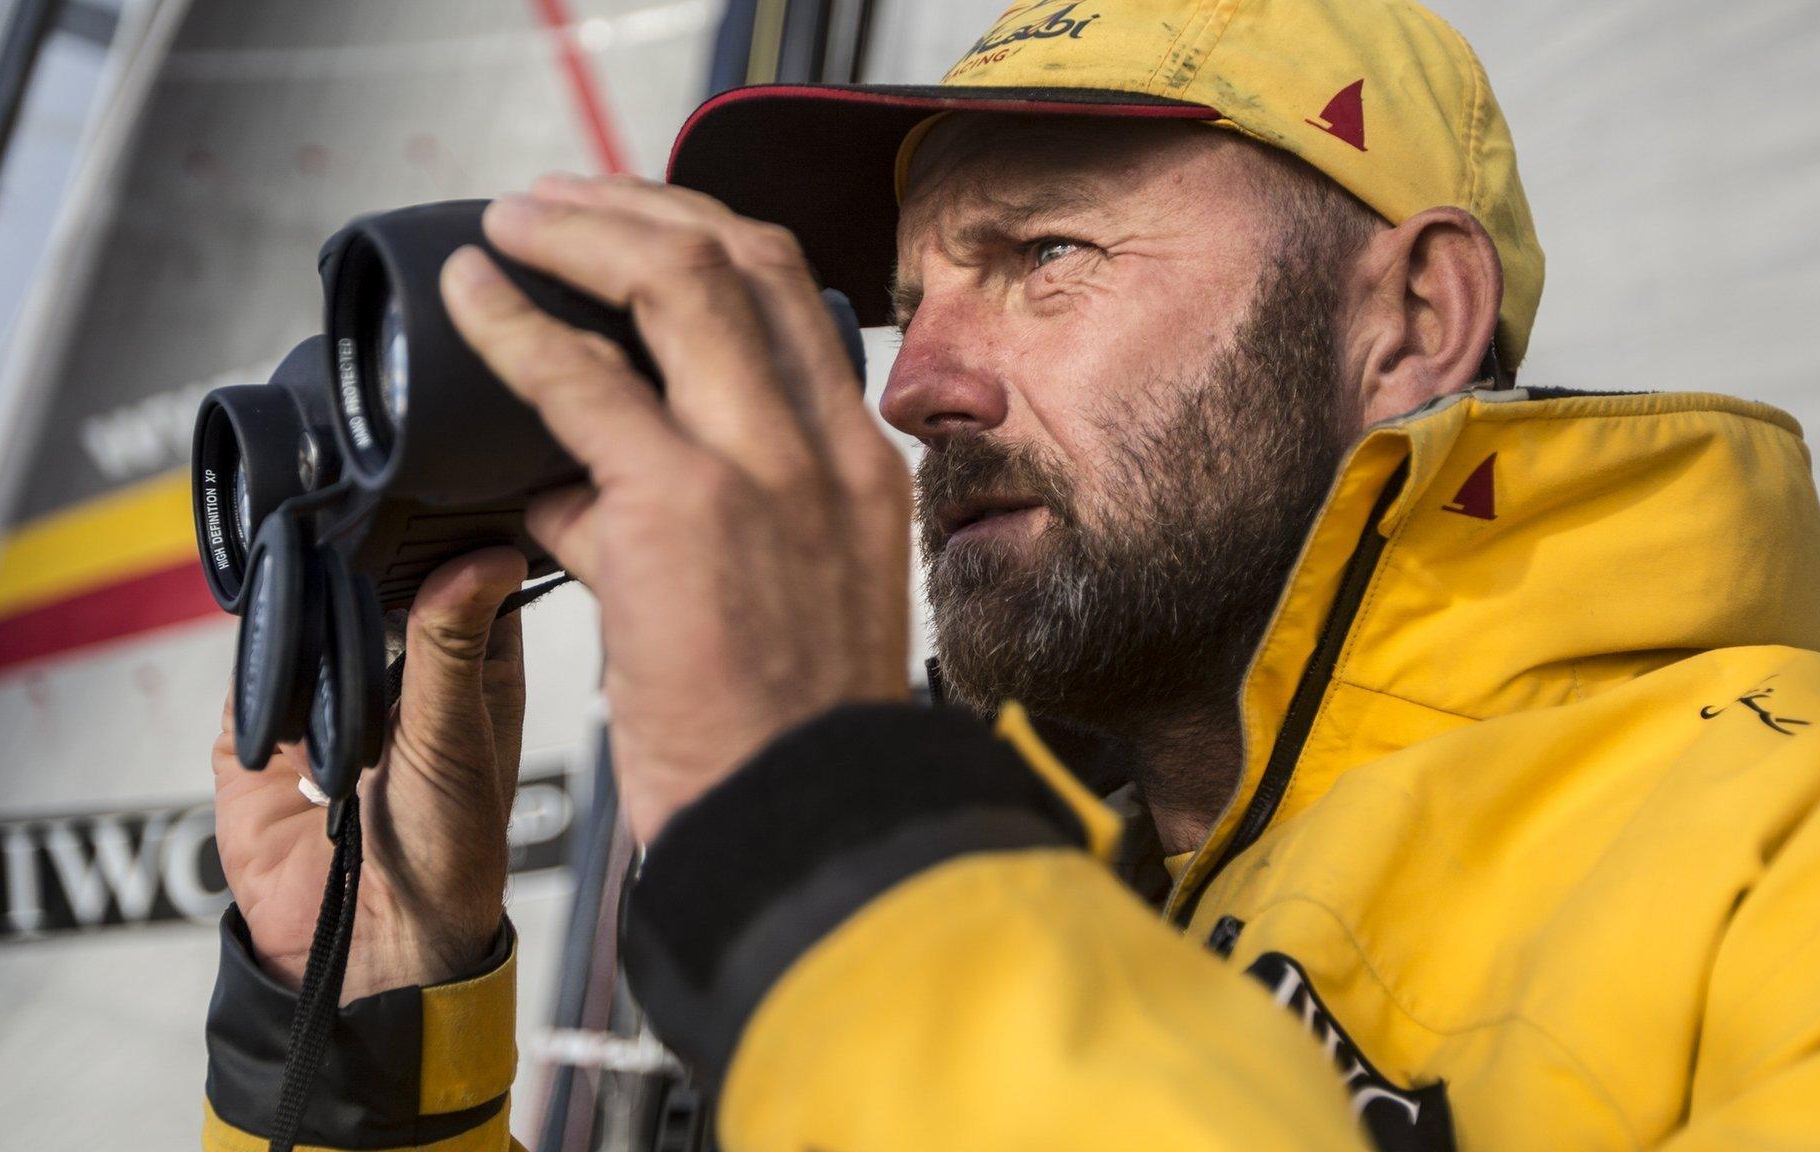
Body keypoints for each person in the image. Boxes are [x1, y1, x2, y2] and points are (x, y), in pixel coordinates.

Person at [202, 1, 1820, 1148]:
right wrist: (374, 1043)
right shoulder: (1007, 867)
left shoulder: (1771, 856)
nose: (913, 389)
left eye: (1047, 256)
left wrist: (839, 842)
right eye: (910, 303)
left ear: (1409, 318)